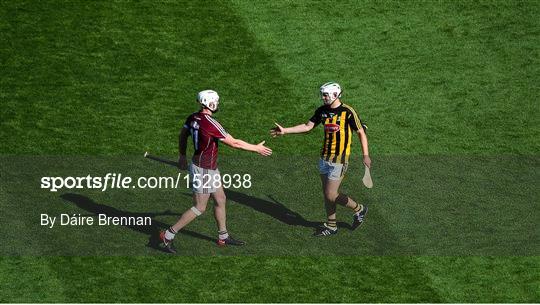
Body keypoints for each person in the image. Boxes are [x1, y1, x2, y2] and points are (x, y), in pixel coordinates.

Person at [160, 90, 272, 253]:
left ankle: (223, 236)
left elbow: (182, 135)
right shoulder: (211, 123)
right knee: (199, 207)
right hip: (204, 170)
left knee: (220, 199)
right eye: (216, 101)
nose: (217, 104)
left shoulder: (192, 118)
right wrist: (256, 148)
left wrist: (182, 155)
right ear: (209, 103)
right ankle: (168, 235)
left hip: (208, 167)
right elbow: (235, 143)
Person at [270, 82, 370, 236]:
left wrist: (365, 155)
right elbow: (307, 126)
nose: (323, 97)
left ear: (335, 95)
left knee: (331, 194)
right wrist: (285, 131)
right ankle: (331, 226)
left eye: (325, 95)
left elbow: (361, 132)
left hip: (339, 159)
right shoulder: (322, 111)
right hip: (324, 158)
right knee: (327, 194)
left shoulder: (348, 112)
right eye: (322, 94)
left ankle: (359, 209)